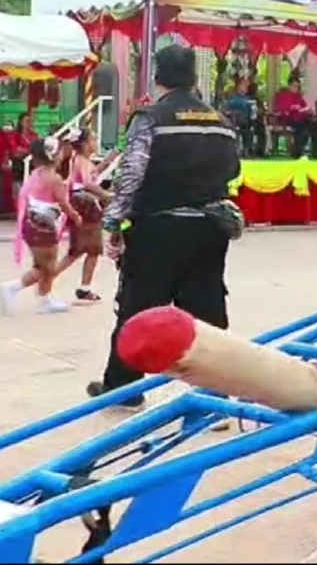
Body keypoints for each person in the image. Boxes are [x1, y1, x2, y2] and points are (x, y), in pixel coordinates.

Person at [86, 45, 243, 409]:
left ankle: (123, 388)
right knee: (208, 312)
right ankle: (214, 395)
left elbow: (132, 174)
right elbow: (234, 171)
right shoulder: (221, 122)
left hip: (157, 229)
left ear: (158, 77)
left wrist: (113, 223)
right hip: (209, 230)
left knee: (138, 309)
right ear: (193, 77)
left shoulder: (151, 118)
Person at [0, 137, 81, 315]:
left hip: (32, 223)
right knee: (48, 267)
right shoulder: (54, 178)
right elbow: (63, 203)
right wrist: (75, 215)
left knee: (41, 264)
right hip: (44, 225)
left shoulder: (37, 174)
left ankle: (45, 297)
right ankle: (14, 288)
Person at [54, 128, 113, 303]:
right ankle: (51, 278)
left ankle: (84, 287)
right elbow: (88, 183)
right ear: (85, 144)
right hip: (85, 206)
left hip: (83, 205)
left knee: (88, 249)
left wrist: (107, 163)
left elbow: (91, 177)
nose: (95, 143)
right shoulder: (81, 161)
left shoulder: (81, 161)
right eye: (93, 140)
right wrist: (106, 196)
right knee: (83, 249)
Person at [272, 78, 317, 157]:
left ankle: (314, 151)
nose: (296, 88)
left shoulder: (299, 97)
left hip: (301, 118)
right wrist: (294, 108)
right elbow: (282, 109)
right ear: (289, 86)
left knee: (314, 125)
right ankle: (297, 151)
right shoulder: (283, 96)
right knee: (301, 128)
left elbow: (305, 107)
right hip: (288, 119)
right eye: (294, 86)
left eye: (297, 86)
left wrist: (308, 110)